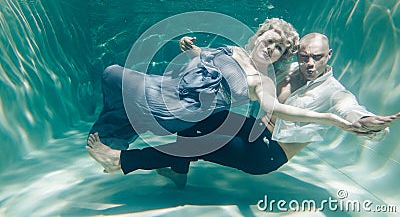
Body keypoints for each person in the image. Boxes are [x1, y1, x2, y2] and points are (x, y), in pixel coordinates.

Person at [86, 32, 400, 188]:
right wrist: (195, 50)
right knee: (205, 117)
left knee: (204, 136)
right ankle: (177, 172)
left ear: (329, 55)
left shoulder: (332, 89)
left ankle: (123, 161)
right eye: (304, 56)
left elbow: (349, 106)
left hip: (268, 153)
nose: (310, 64)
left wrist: (366, 122)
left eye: (317, 57)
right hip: (255, 130)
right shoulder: (288, 71)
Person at [88, 19, 355, 151]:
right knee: (111, 74)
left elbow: (277, 108)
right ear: (259, 37)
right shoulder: (233, 50)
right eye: (270, 41)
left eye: (279, 49)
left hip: (182, 109)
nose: (271, 48)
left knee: (117, 78)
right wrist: (188, 47)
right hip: (171, 86)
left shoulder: (264, 81)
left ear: (282, 56)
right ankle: (117, 135)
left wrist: (328, 118)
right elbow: (204, 56)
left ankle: (112, 137)